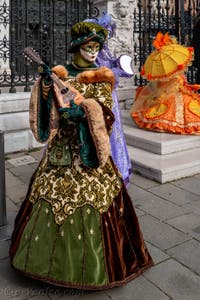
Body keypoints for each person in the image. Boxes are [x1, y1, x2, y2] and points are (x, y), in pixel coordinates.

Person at [9, 21, 153, 290]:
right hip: (60, 151)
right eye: (89, 46)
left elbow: (107, 116)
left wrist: (84, 113)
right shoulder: (60, 74)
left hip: (88, 155)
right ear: (77, 46)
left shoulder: (102, 76)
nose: (93, 52)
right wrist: (44, 86)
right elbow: (46, 110)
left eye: (97, 47)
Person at [84, 13, 133, 185]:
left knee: (113, 132)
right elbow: (95, 74)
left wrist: (118, 63)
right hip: (96, 97)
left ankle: (115, 170)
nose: (106, 37)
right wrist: (114, 72)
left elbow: (108, 65)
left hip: (109, 96)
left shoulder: (103, 50)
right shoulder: (90, 52)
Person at [131, 32, 200, 134]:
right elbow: (172, 87)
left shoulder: (165, 70)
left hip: (176, 95)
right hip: (170, 96)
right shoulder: (170, 71)